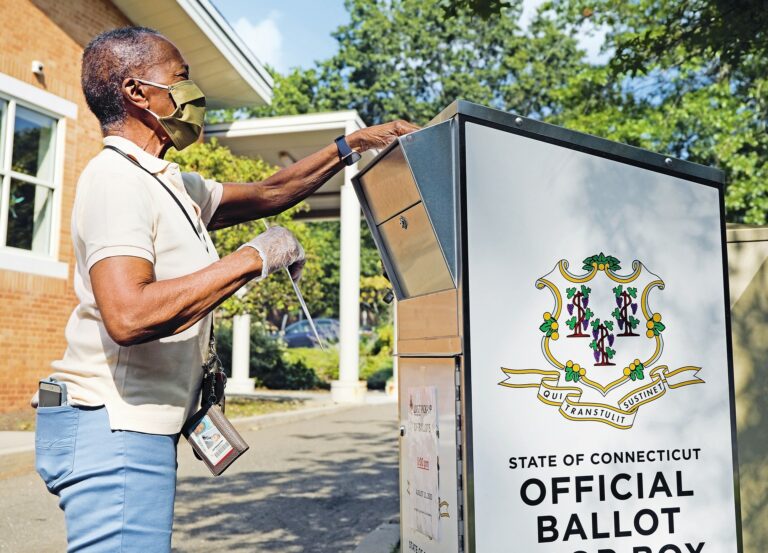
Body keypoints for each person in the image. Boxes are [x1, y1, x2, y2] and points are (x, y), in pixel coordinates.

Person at [33, 26, 417, 552]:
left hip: (129, 426)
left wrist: (351, 144)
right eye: (182, 79)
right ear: (137, 92)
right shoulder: (115, 179)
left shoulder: (167, 182)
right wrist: (251, 260)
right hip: (112, 426)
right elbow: (129, 315)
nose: (194, 95)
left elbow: (272, 191)